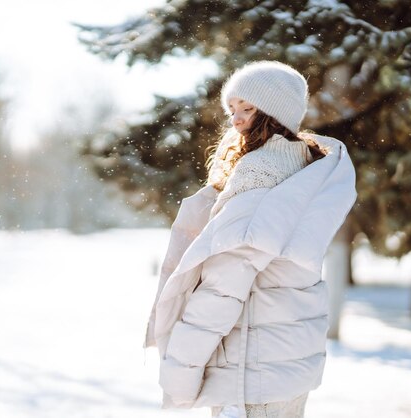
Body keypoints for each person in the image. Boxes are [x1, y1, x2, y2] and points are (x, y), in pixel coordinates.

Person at [144, 61, 357, 418]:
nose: (236, 120)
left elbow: (223, 287)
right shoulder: (306, 171)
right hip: (286, 364)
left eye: (247, 108)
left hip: (251, 370)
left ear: (275, 114)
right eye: (232, 110)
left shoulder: (261, 177)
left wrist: (180, 370)